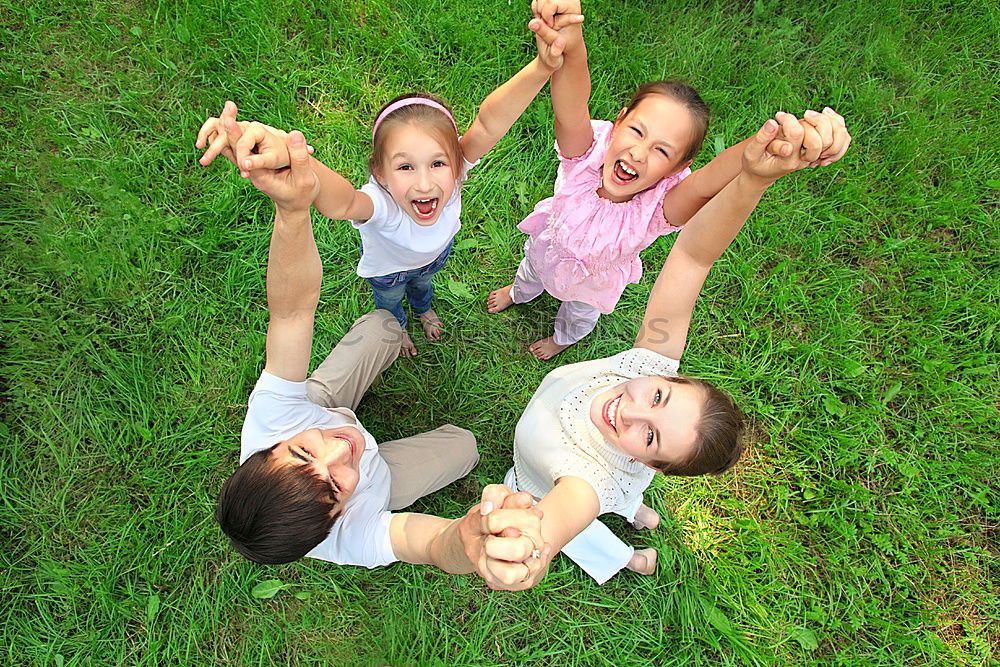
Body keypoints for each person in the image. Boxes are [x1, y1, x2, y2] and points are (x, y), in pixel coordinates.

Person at [500, 109, 852, 584]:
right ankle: (637, 510)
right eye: (659, 398)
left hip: (539, 485)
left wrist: (534, 543)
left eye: (650, 437)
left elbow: (560, 517)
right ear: (668, 375)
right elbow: (692, 256)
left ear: (649, 463)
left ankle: (632, 558)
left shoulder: (588, 481)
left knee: (586, 533)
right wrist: (753, 179)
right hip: (619, 476)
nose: (630, 412)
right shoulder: (649, 359)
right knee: (627, 501)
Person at [206, 124, 551, 590]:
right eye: (334, 487)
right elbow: (425, 543)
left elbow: (290, 313)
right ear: (338, 519)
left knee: (385, 325)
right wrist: (469, 540)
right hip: (386, 478)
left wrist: (291, 211)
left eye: (304, 450)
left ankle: (386, 338)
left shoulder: (271, 419)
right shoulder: (349, 537)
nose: (340, 447)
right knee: (465, 447)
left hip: (319, 401)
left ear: (272, 445)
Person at [198, 15, 583, 357]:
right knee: (390, 302)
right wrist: (295, 157)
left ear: (455, 161)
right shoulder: (380, 205)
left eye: (437, 162)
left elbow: (488, 123)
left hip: (435, 255)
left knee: (424, 286)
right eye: (404, 167)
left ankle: (424, 307)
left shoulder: (457, 170)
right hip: (388, 273)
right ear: (380, 174)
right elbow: (342, 203)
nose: (424, 183)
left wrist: (541, 67)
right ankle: (397, 328)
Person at [487, 2, 851, 359]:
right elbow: (572, 104)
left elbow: (710, 181)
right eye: (637, 131)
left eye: (662, 151)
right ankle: (518, 294)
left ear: (679, 167)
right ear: (619, 121)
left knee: (579, 316)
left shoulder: (660, 209)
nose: (639, 153)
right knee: (530, 272)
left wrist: (773, 143)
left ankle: (562, 340)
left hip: (590, 285)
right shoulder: (583, 157)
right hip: (548, 249)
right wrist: (572, 35)